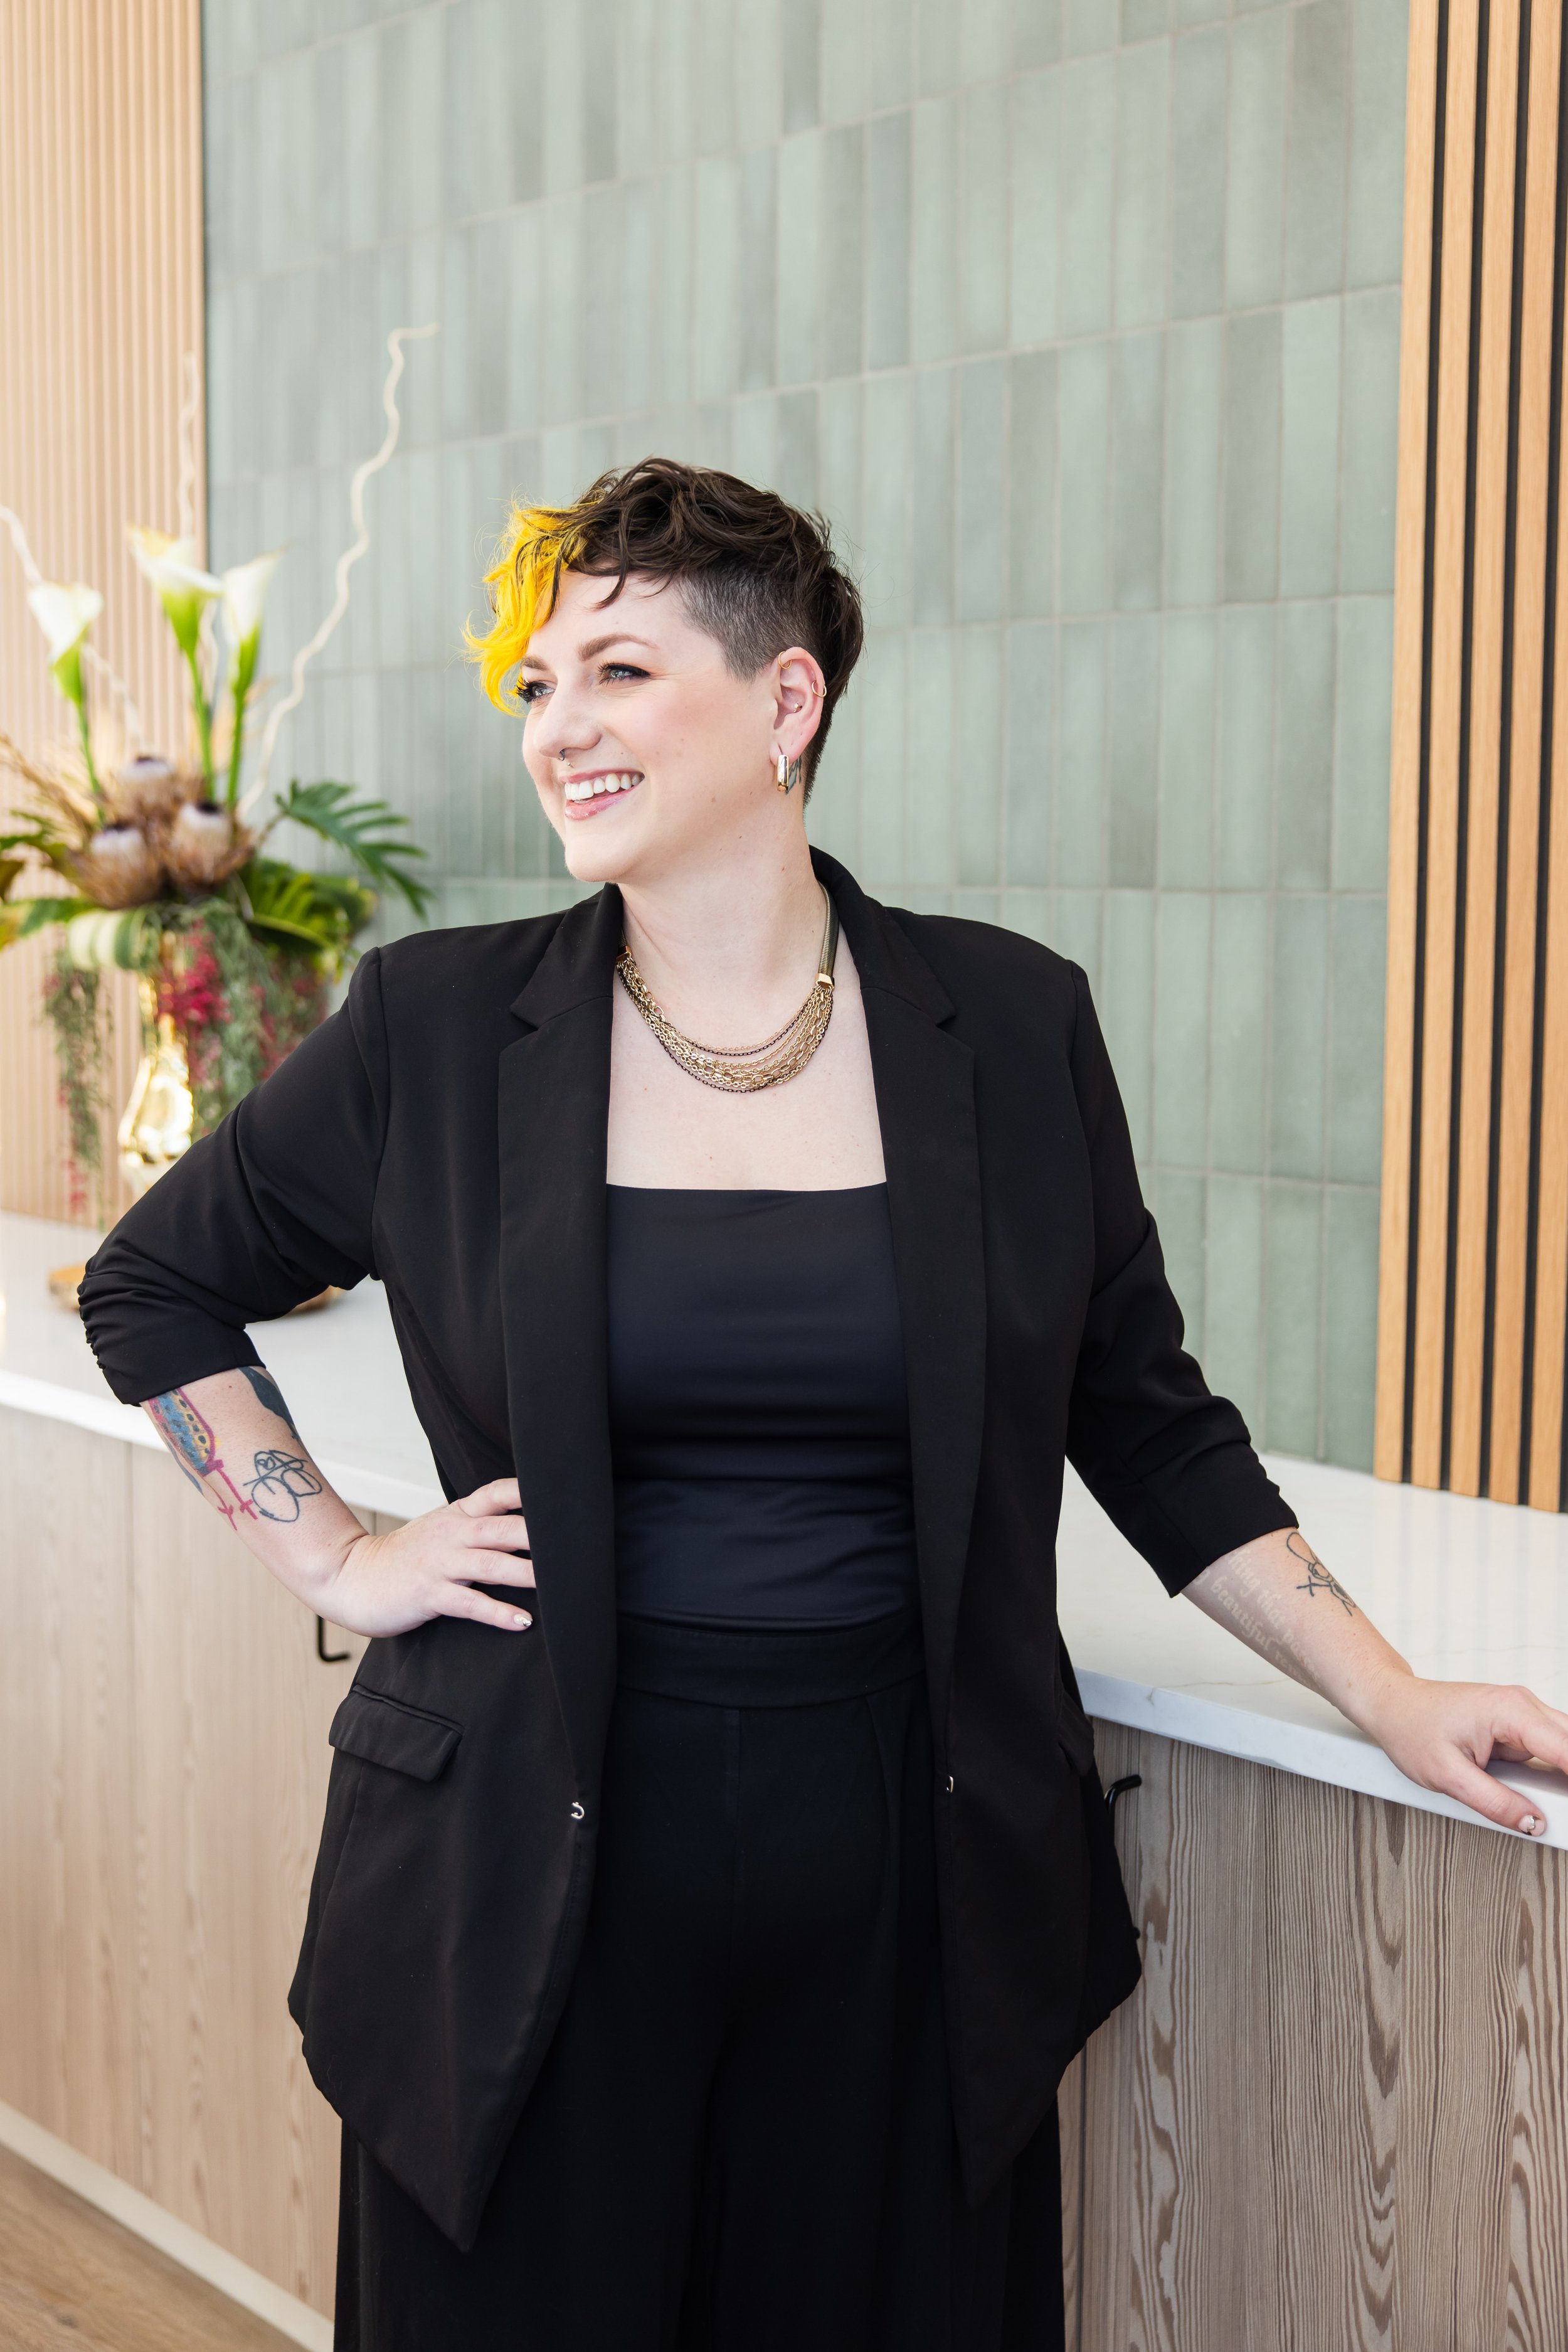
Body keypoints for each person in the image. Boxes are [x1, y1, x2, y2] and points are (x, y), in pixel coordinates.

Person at [79, 459, 1568, 2352]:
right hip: (522, 1876)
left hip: (908, 1881)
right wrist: (334, 1554)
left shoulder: (1006, 1030)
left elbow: (1149, 1422)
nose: (560, 729)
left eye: (616, 672)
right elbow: (153, 1281)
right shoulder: (442, 1031)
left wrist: (1392, 1692)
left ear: (785, 704)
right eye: (538, 687)